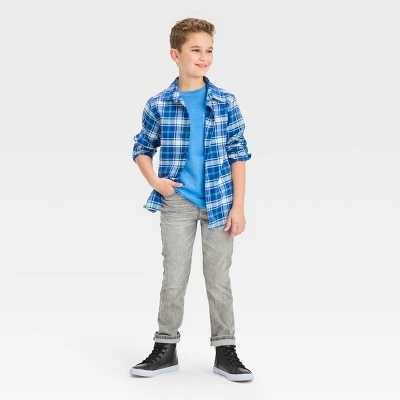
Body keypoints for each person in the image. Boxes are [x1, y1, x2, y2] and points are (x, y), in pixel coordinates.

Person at [129, 17, 253, 382]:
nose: (204, 57)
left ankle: (225, 350)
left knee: (218, 278)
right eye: (195, 50)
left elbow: (238, 153)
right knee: (174, 276)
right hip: (177, 203)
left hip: (219, 202)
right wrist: (155, 181)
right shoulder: (159, 103)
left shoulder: (226, 101)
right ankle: (165, 347)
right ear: (175, 54)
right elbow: (141, 147)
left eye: (209, 50)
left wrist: (238, 207)